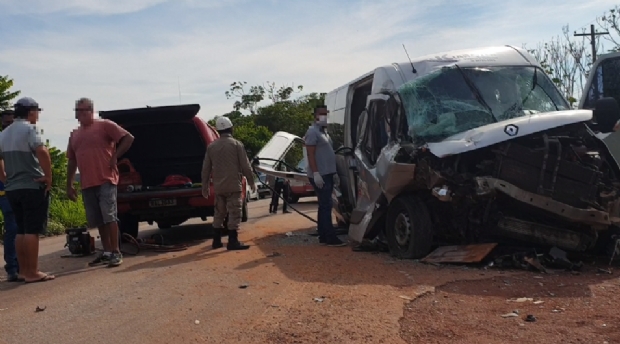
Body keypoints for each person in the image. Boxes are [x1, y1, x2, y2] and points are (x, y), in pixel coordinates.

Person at [66, 98, 134, 268]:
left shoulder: (104, 125)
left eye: (84, 110)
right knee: (98, 220)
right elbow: (72, 161)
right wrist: (69, 184)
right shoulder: (74, 134)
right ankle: (107, 251)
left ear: (91, 110)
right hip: (87, 182)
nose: (80, 113)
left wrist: (115, 156)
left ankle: (116, 251)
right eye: (78, 110)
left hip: (106, 178)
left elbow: (128, 138)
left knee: (109, 215)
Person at [0, 97, 54, 283]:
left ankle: (23, 271)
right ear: (31, 112)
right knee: (32, 230)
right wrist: (48, 176)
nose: (37, 115)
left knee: (21, 230)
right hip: (31, 185)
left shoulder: (4, 133)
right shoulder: (29, 129)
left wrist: (5, 178)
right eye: (37, 111)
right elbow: (42, 151)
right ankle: (33, 272)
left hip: (12, 188)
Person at [201, 116, 256, 250]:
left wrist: (205, 186)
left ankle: (216, 241)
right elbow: (246, 166)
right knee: (234, 213)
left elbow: (206, 169)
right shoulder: (237, 144)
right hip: (233, 185)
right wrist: (251, 181)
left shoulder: (211, 147)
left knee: (219, 213)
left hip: (219, 187)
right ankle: (233, 241)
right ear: (231, 128)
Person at [304, 105, 346, 247]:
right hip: (320, 174)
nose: (324, 116)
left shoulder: (324, 132)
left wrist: (333, 172)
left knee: (324, 205)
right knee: (326, 204)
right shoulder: (312, 132)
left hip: (327, 173)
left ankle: (323, 235)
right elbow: (310, 154)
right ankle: (329, 237)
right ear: (315, 115)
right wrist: (316, 173)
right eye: (321, 114)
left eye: (325, 114)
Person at [0, 109, 20, 282]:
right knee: (13, 227)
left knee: (23, 227)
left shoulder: (18, 139)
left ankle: (22, 266)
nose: (8, 126)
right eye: (5, 123)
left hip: (20, 187)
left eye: (11, 122)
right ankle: (13, 268)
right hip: (6, 189)